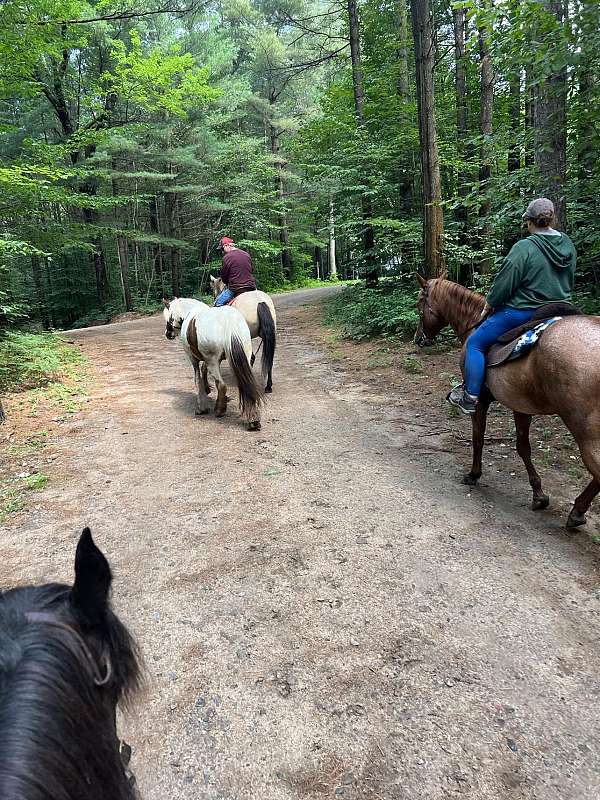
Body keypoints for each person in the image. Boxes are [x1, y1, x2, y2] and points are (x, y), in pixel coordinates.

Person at [449, 197, 577, 415]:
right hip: (563, 309)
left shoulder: (524, 247)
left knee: (476, 343)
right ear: (552, 219)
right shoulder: (567, 245)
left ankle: (470, 397)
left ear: (529, 222)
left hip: (526, 311)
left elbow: (505, 283)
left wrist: (490, 303)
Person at [213, 237, 256, 306]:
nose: (222, 251)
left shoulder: (226, 257)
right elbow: (251, 270)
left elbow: (224, 278)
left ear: (227, 245)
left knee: (217, 303)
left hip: (235, 288)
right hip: (251, 287)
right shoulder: (246, 254)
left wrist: (228, 282)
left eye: (222, 249)